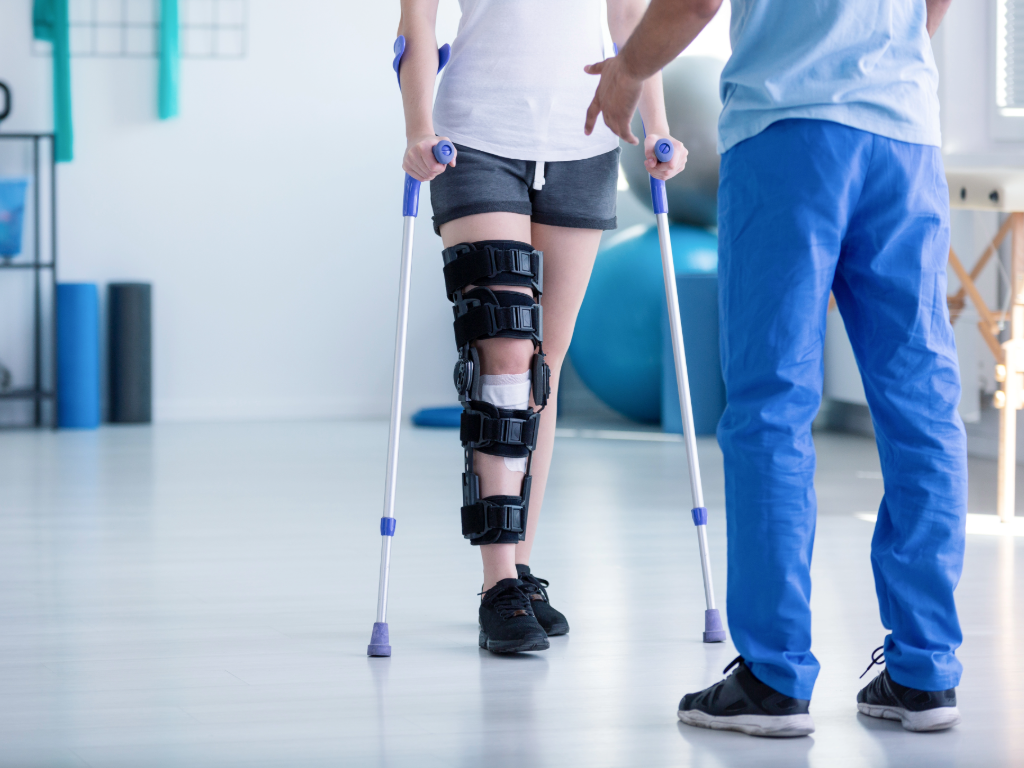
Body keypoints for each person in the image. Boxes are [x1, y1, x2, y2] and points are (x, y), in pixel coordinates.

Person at [585, 0, 964, 736]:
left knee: (771, 406)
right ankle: (925, 673)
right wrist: (887, 56)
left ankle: (775, 677)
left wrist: (629, 69)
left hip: (790, 133)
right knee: (922, 406)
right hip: (905, 141)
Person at [397, 0, 687, 654]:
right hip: (473, 139)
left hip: (585, 141)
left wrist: (658, 128)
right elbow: (417, 22)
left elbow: (632, 21)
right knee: (499, 355)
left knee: (538, 371)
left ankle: (521, 568)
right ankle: (497, 581)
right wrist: (418, 128)